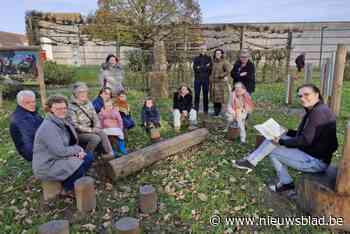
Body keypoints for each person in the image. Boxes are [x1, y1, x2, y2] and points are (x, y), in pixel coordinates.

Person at [232, 84, 338, 193]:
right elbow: (310, 135)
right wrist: (288, 131)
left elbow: (305, 140)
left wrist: (281, 142)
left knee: (273, 148)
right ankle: (252, 162)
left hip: (316, 162)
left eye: (306, 94)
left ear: (317, 94)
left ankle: (284, 181)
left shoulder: (318, 113)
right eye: (300, 96)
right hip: (315, 154)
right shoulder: (319, 109)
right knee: (276, 138)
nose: (302, 98)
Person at [32, 95, 94, 195]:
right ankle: (68, 188)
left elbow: (69, 142)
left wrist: (77, 152)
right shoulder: (48, 127)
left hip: (58, 156)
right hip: (48, 164)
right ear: (50, 109)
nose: (62, 111)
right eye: (58, 108)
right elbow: (59, 151)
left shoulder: (61, 121)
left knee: (88, 157)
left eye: (64, 108)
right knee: (80, 166)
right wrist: (77, 150)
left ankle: (72, 181)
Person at [67, 82, 113, 157]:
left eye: (85, 92)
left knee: (102, 132)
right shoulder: (71, 107)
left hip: (91, 128)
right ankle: (86, 156)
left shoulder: (89, 103)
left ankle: (109, 153)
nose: (83, 94)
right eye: (80, 92)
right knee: (95, 138)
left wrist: (97, 127)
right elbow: (75, 125)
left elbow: (95, 116)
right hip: (78, 133)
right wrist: (91, 130)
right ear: (75, 94)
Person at [9, 90, 43, 161]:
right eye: (27, 102)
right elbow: (27, 144)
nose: (32, 104)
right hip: (35, 155)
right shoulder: (20, 119)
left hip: (41, 146)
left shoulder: (31, 112)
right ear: (19, 103)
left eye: (33, 101)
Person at [210, 48, 230, 116]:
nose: (217, 54)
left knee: (219, 99)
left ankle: (219, 112)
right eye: (216, 53)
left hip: (220, 83)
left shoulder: (224, 62)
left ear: (221, 54)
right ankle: (216, 112)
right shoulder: (213, 62)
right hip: (213, 83)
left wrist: (221, 75)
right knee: (214, 99)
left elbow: (228, 71)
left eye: (219, 53)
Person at [193, 45, 212, 114]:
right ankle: (196, 109)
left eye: (204, 49)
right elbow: (195, 68)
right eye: (201, 49)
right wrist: (205, 67)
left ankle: (206, 110)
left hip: (206, 79)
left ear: (206, 50)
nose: (202, 50)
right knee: (197, 95)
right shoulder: (196, 58)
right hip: (197, 79)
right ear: (199, 50)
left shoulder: (209, 58)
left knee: (205, 95)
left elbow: (210, 69)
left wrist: (200, 67)